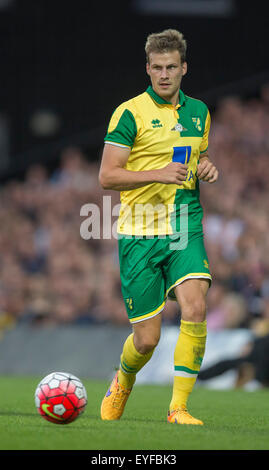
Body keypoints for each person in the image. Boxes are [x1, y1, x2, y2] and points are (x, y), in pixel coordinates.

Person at [98, 29, 218, 425]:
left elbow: (195, 160)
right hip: (139, 232)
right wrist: (158, 174)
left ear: (184, 68)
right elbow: (107, 177)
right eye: (157, 68)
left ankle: (178, 408)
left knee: (196, 307)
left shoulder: (200, 111)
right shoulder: (129, 112)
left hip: (185, 225)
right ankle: (123, 379)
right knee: (148, 340)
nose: (164, 75)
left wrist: (206, 166)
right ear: (147, 69)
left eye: (171, 67)